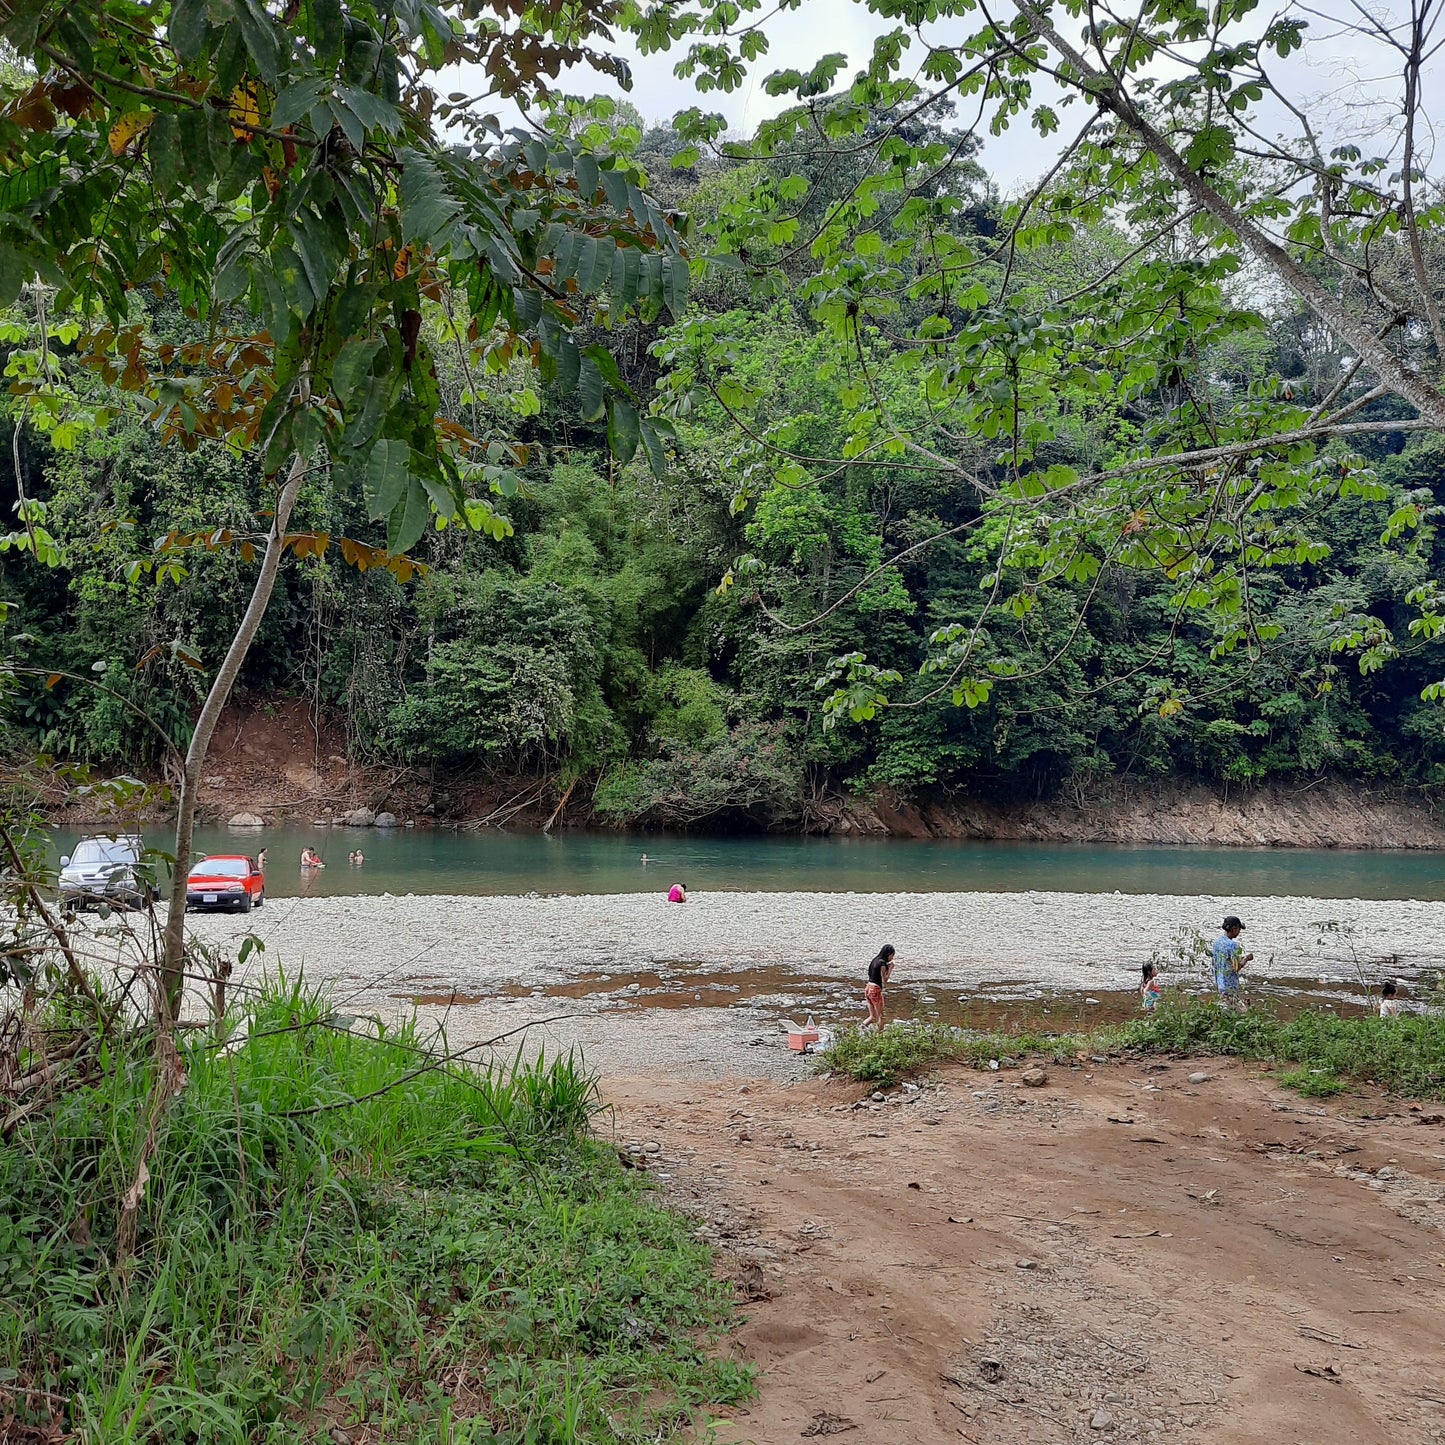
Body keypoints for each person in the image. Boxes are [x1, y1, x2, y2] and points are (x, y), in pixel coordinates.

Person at [1212, 915, 1252, 1010]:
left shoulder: (1217, 942)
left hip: (1220, 983)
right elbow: (1236, 967)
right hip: (1230, 986)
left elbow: (1215, 962)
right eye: (1239, 929)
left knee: (1226, 1009)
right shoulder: (1232, 945)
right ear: (1234, 928)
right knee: (1241, 1012)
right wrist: (1246, 958)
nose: (1239, 932)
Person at [864, 944, 896, 1030]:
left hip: (868, 988)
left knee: (873, 1017)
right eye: (892, 955)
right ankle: (880, 1037)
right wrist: (890, 969)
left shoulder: (875, 960)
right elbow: (884, 981)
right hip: (875, 990)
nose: (892, 958)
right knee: (881, 1017)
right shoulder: (882, 964)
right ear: (888, 954)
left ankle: (859, 1029)